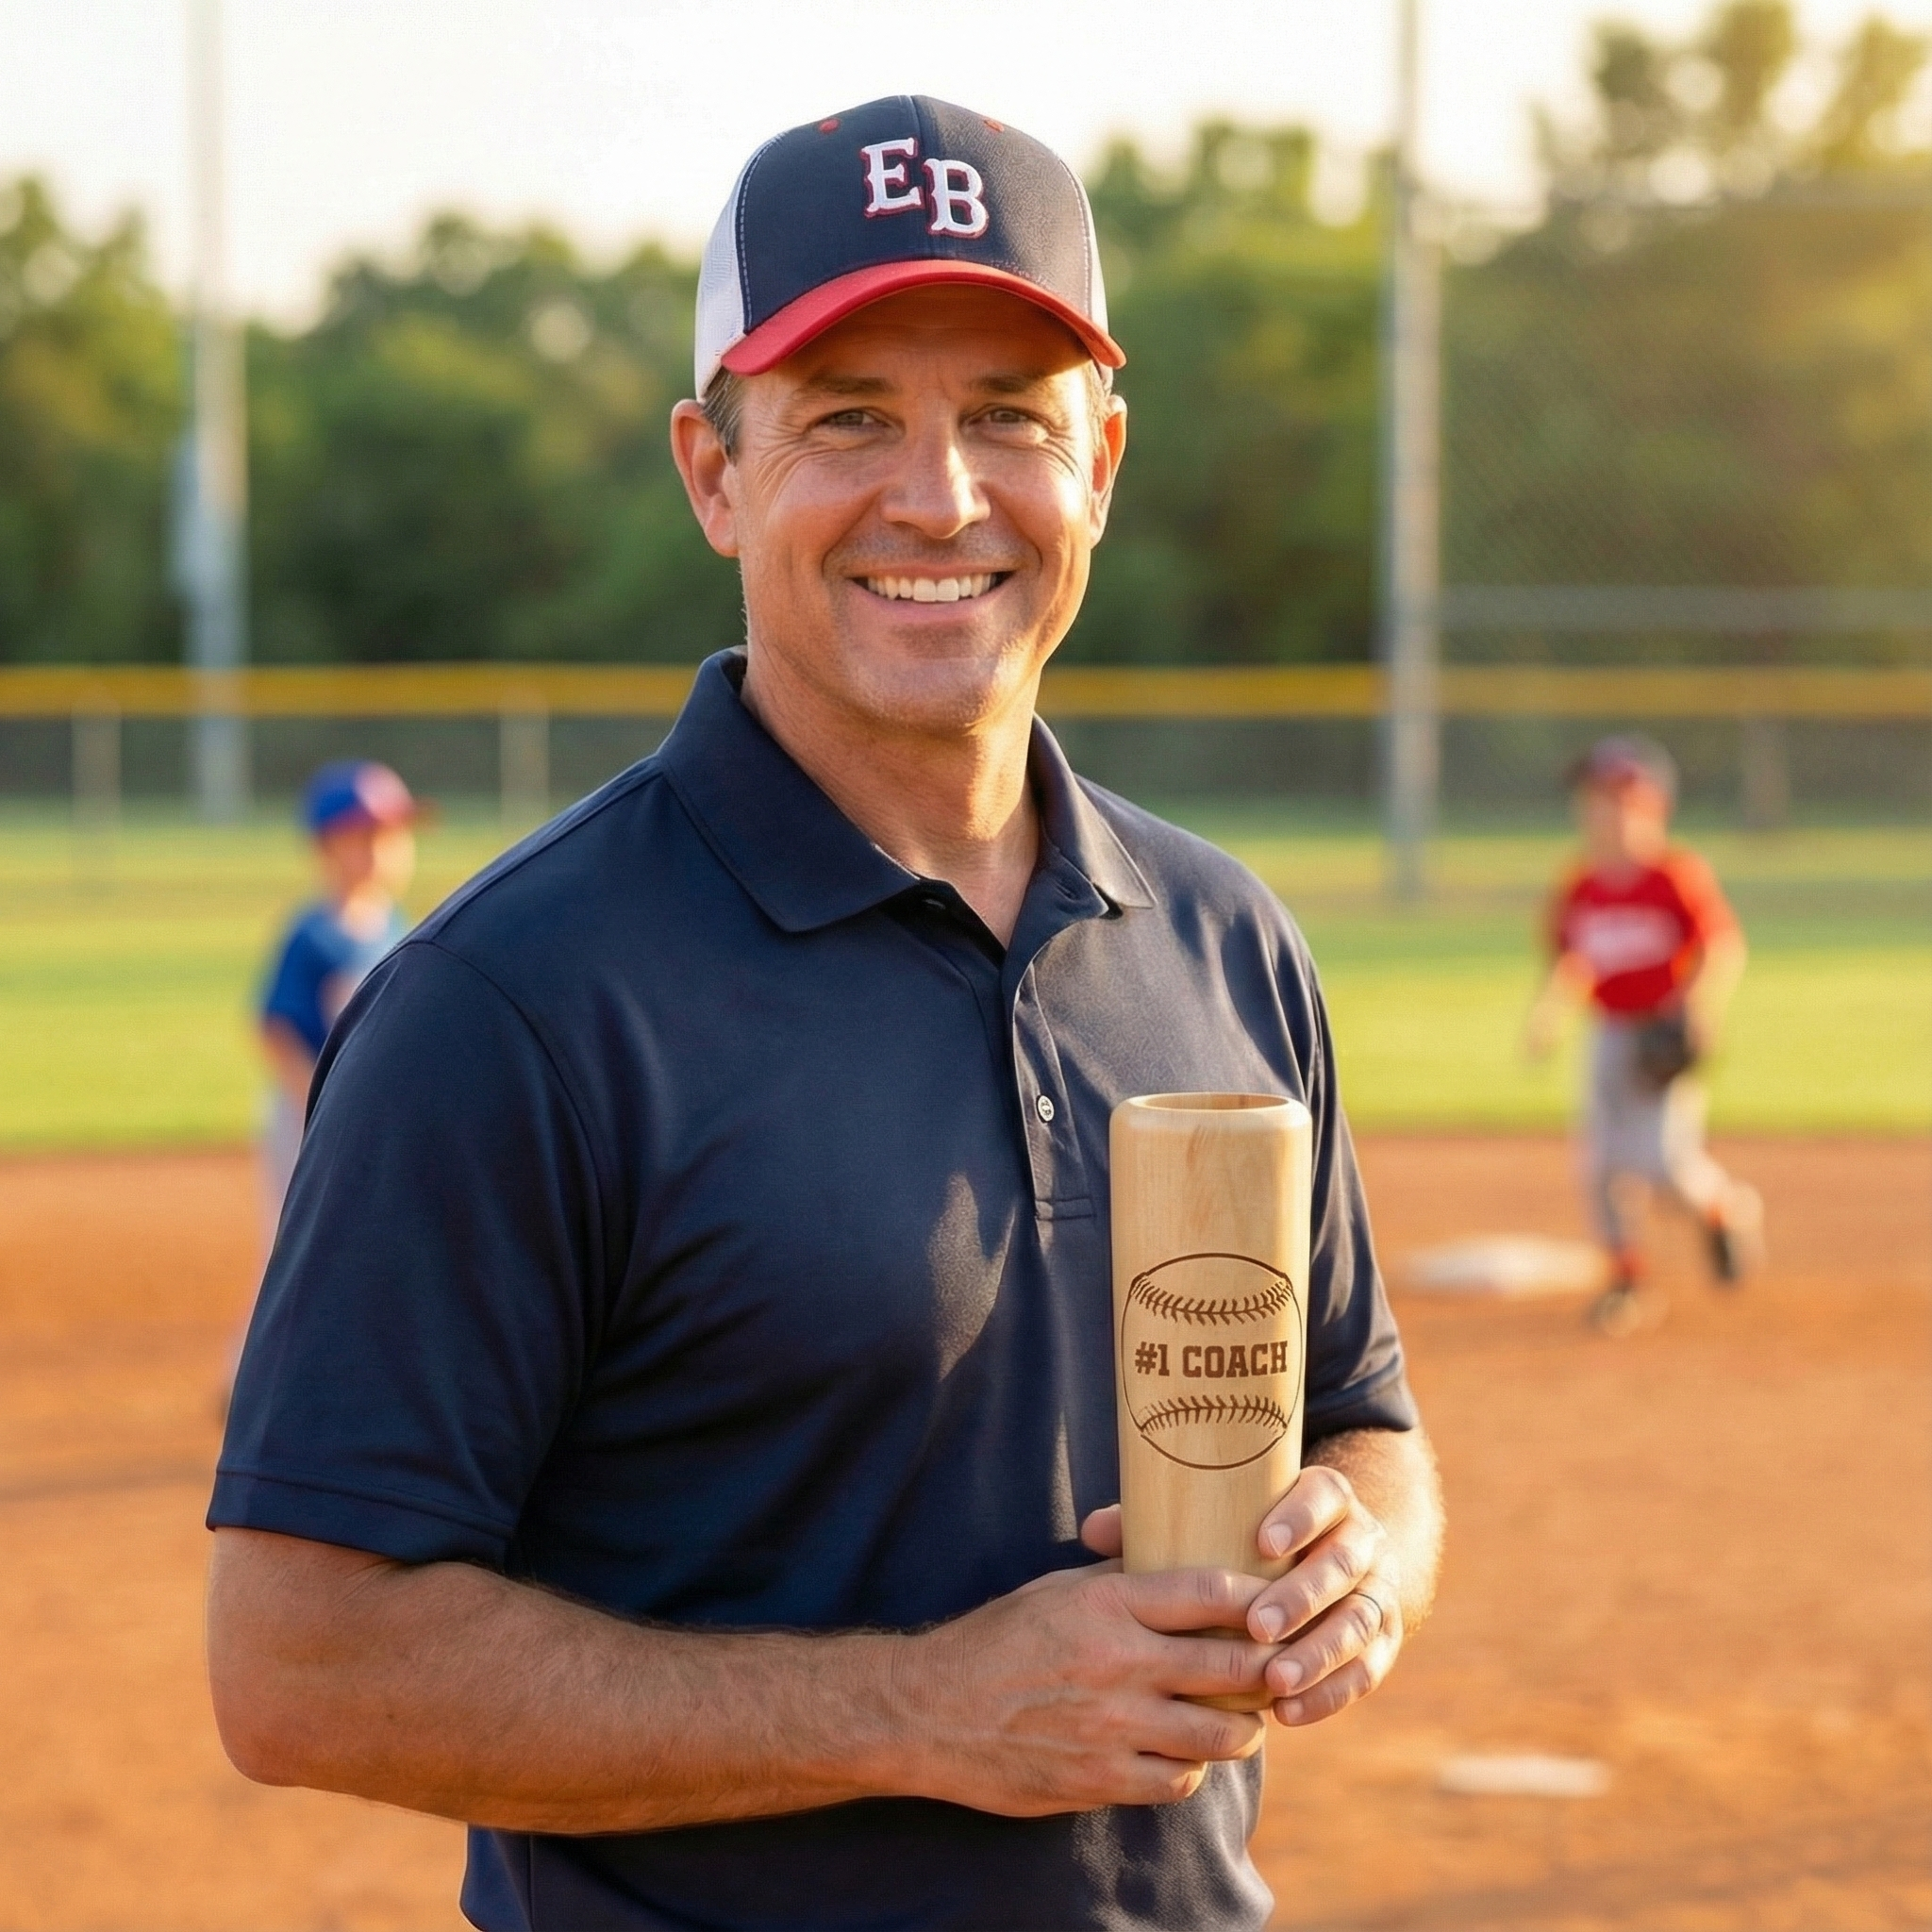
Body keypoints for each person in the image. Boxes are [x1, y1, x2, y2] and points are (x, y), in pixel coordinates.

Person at [206, 97, 1444, 1932]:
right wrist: (924, 1712)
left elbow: (1369, 1423)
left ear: (1099, 459)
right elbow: (301, 1661)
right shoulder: (514, 1000)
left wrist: (1367, 1561)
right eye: (848, 413)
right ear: (714, 470)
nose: (938, 496)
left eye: (1008, 416)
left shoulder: (1222, 937)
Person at [1526, 734, 1762, 1336]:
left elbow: (1722, 946)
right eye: (1590, 801)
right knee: (1602, 1163)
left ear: (1647, 805)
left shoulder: (1674, 875)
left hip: (1661, 1032)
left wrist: (1698, 1005)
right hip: (1608, 1033)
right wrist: (1550, 1012)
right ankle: (1628, 1280)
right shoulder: (1581, 885)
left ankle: (1724, 1209)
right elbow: (1570, 960)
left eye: (1609, 799)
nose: (1595, 812)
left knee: (1663, 1165)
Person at [256, 760, 420, 1238]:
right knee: (292, 1245)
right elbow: (275, 1030)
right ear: (325, 846)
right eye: (365, 838)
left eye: (393, 837)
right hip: (306, 1112)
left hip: (365, 1111)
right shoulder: (312, 934)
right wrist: (316, 1109)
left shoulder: (397, 928)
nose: (382, 852)